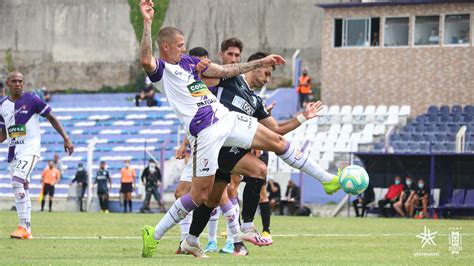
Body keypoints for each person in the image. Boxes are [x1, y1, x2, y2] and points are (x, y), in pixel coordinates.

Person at [138, 0, 341, 258]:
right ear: (165, 46)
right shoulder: (162, 71)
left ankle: (328, 180)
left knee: (276, 142)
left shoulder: (190, 63)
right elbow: (145, 58)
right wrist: (147, 22)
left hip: (228, 119)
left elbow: (224, 70)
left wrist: (258, 63)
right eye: (180, 45)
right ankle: (155, 235)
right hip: (206, 133)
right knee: (200, 195)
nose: (184, 48)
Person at [2, 71, 73, 239]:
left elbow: (51, 117)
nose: (18, 84)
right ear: (8, 84)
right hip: (13, 153)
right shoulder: (3, 105)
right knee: (23, 187)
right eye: (14, 81)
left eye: (20, 81)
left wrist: (66, 138)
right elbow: (3, 134)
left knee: (17, 182)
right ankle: (27, 229)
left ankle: (22, 226)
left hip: (30, 150)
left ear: (23, 83)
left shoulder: (32, 99)